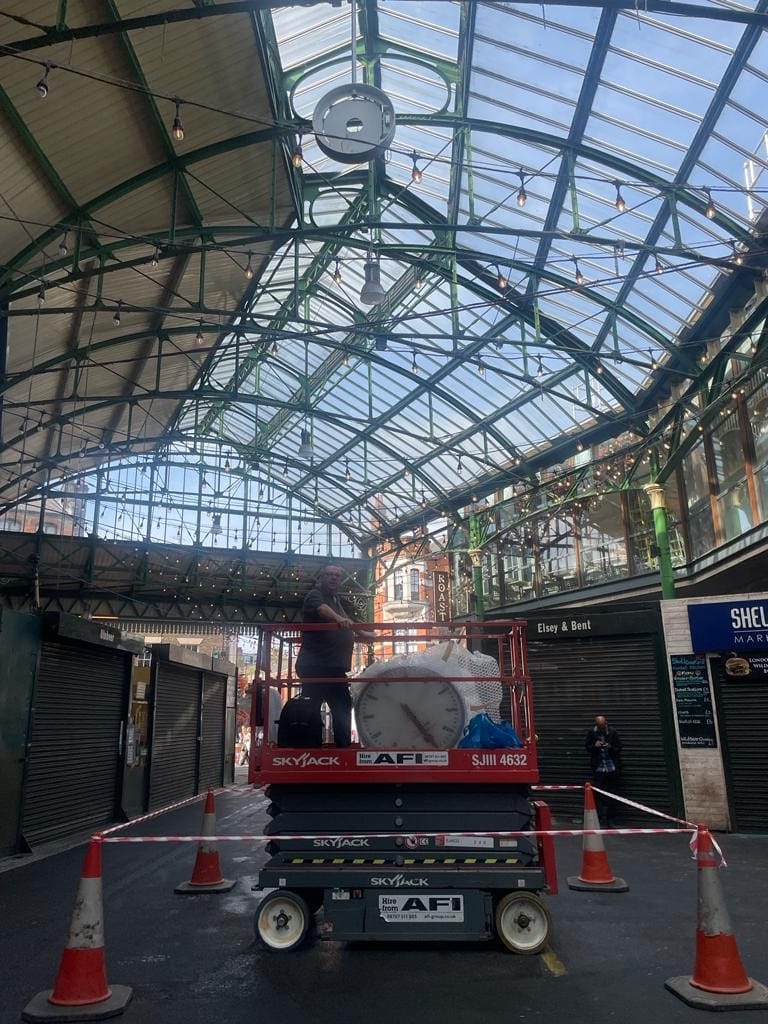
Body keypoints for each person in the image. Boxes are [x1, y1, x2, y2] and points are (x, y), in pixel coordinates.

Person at [295, 564, 373, 747]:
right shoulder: (315, 595)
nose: (333, 578)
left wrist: (363, 634)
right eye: (329, 574)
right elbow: (322, 610)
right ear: (321, 577)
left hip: (333, 668)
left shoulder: (336, 600)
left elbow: (348, 622)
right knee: (313, 709)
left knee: (342, 706)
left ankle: (342, 748)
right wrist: (339, 619)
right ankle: (312, 748)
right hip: (316, 666)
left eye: (337, 576)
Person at [585, 714, 622, 827]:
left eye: (603, 726)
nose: (601, 728)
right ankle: (601, 818)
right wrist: (595, 746)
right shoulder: (592, 733)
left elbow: (619, 748)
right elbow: (587, 747)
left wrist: (610, 747)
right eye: (599, 726)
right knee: (598, 795)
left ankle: (611, 819)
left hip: (611, 767)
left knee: (613, 794)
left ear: (606, 723)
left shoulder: (612, 732)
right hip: (599, 768)